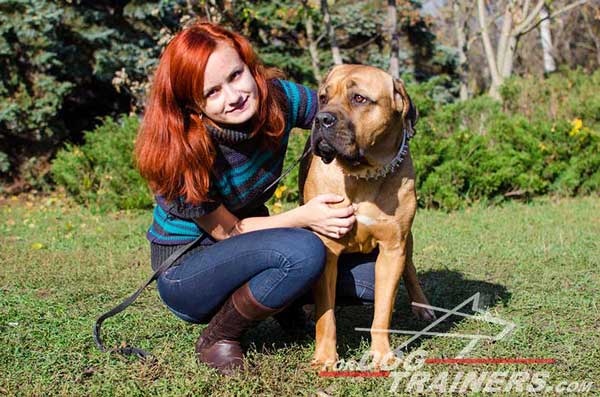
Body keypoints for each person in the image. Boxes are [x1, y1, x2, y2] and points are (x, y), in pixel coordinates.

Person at [134, 21, 378, 375]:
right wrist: (305, 216)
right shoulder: (179, 152)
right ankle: (218, 337)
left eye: (236, 75)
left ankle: (281, 301)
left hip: (258, 244)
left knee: (371, 274)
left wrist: (385, 134)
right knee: (304, 251)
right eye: (212, 92)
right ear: (192, 106)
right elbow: (227, 232)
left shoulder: (278, 97)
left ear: (250, 66)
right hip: (188, 271)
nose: (233, 96)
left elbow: (335, 119)